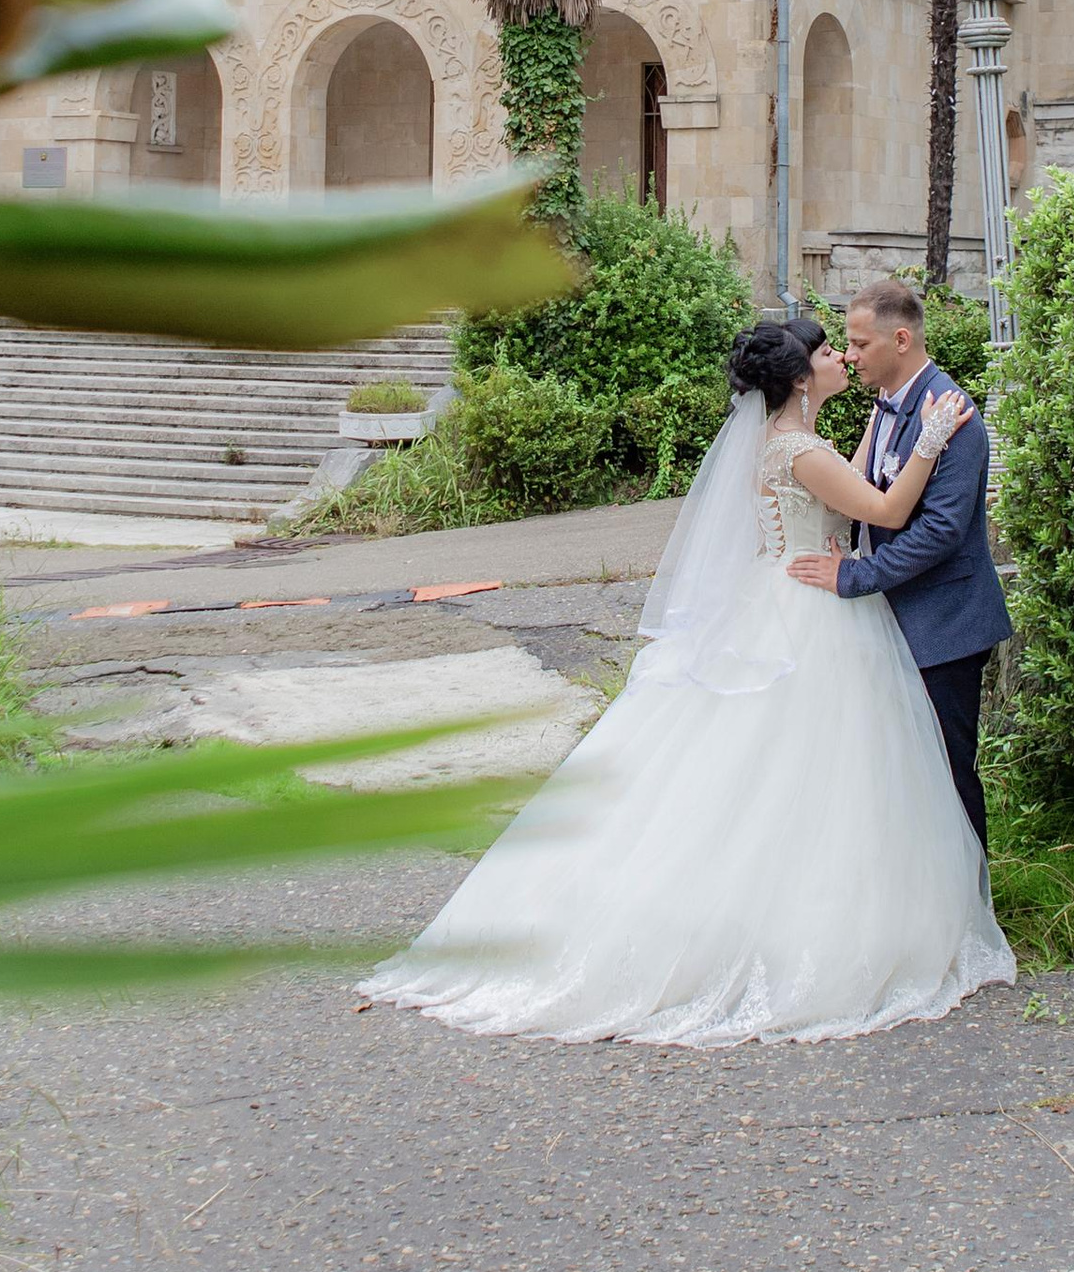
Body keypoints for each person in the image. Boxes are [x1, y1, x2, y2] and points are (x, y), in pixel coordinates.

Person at [360, 319, 1014, 1046]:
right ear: (800, 376)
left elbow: (849, 481)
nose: (841, 357)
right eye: (829, 351)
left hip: (778, 602)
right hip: (812, 610)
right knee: (812, 766)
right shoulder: (800, 450)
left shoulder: (788, 442)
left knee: (771, 771)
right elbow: (883, 508)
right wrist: (928, 443)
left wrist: (883, 432)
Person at [785, 279, 1008, 861]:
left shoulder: (952, 413)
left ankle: (971, 898)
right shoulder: (884, 406)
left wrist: (853, 577)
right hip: (890, 620)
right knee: (901, 774)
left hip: (944, 623)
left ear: (901, 340)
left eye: (860, 343)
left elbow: (941, 531)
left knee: (947, 774)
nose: (850, 354)